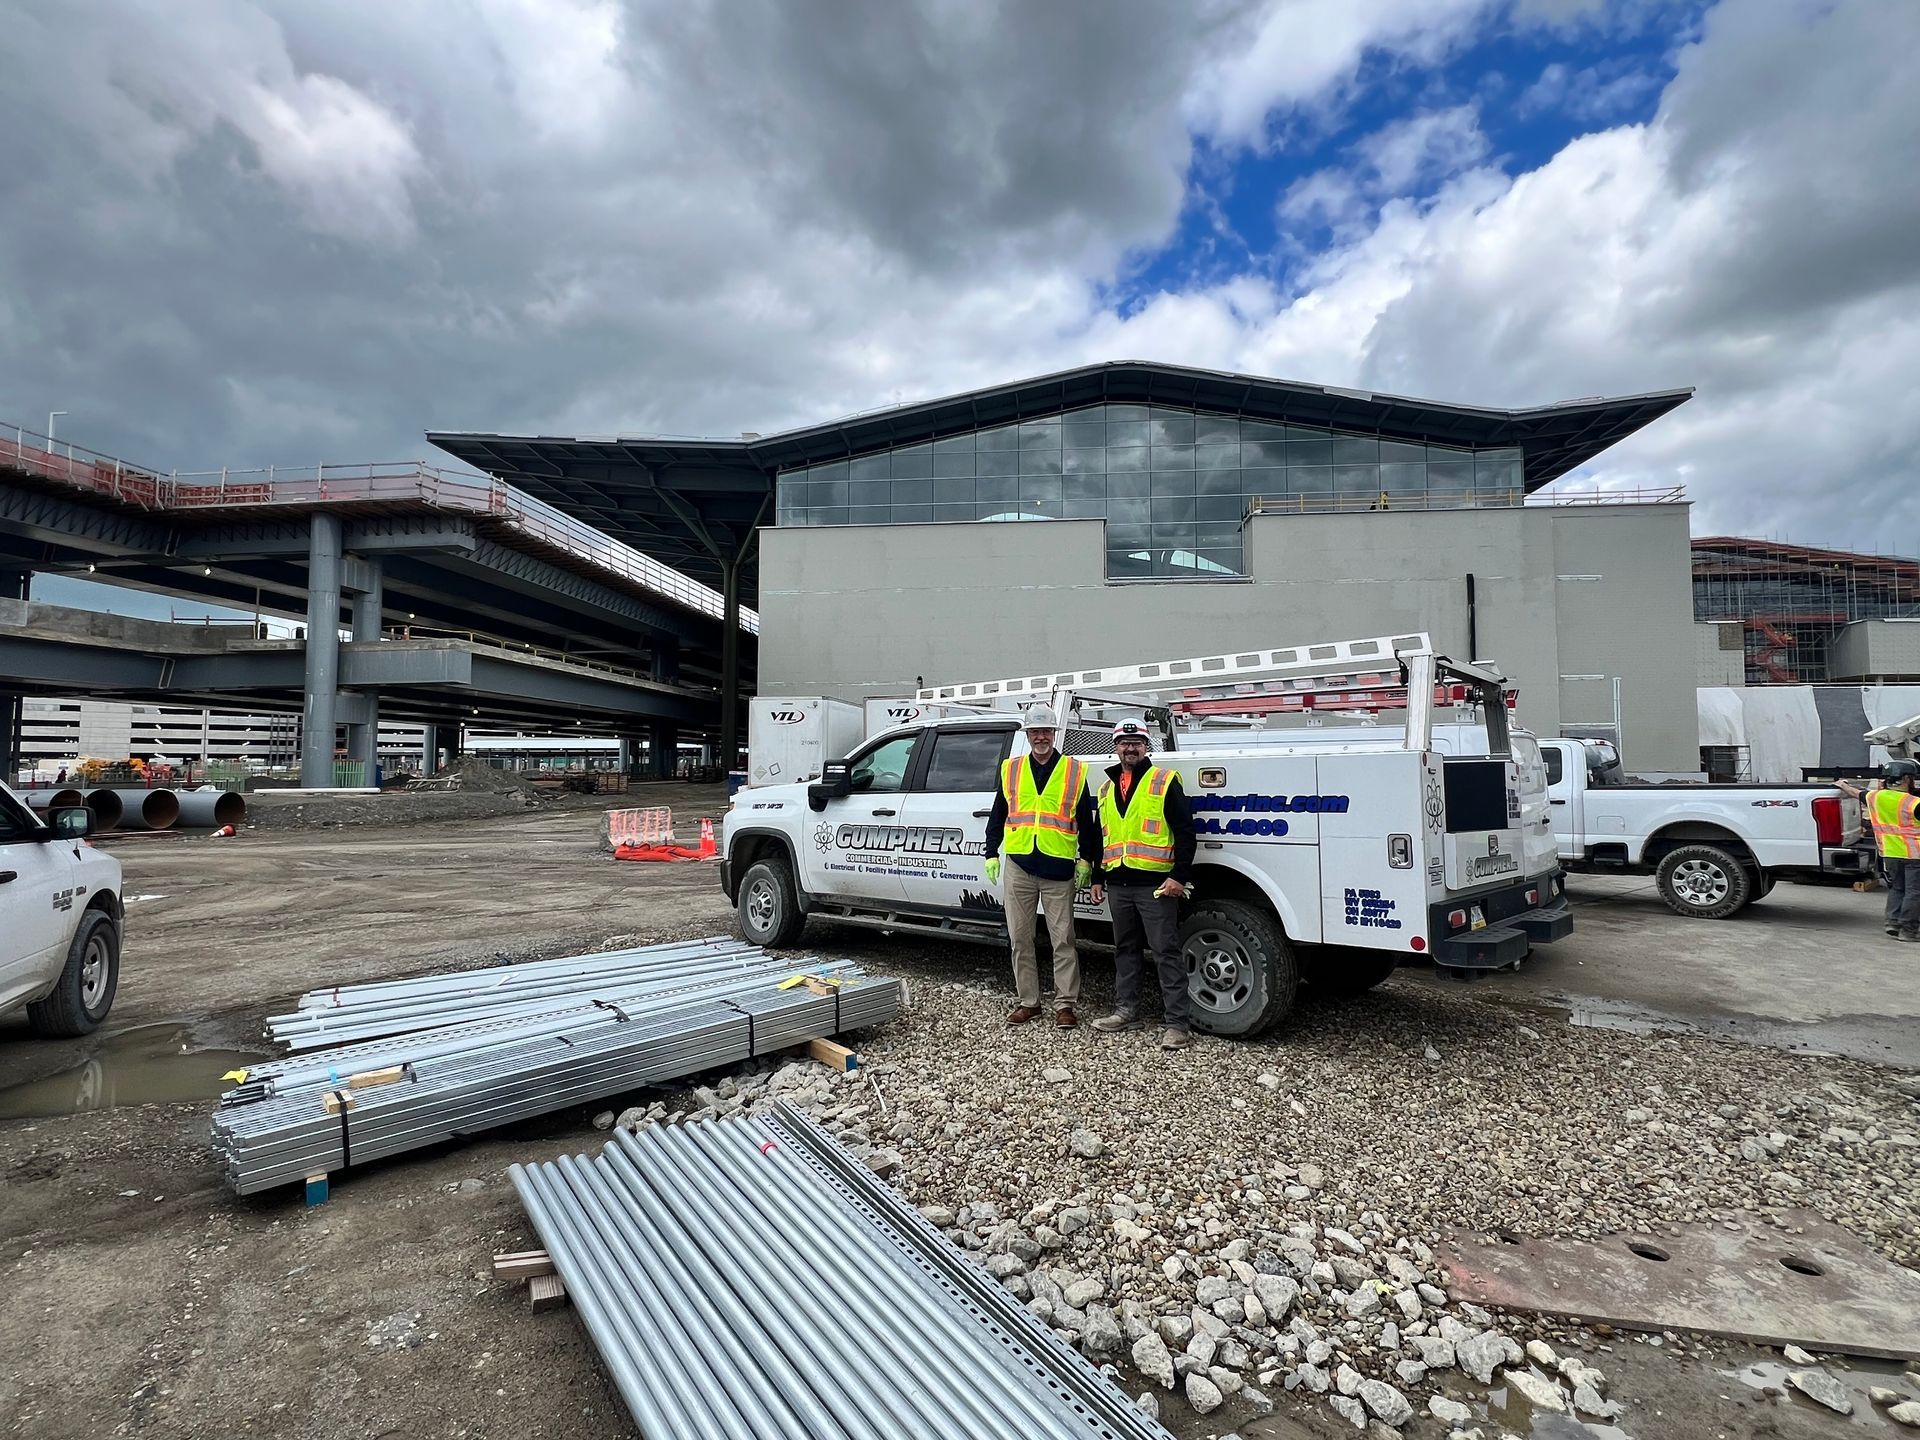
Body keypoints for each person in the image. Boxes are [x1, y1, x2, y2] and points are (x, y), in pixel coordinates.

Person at [984, 704, 1100, 1027]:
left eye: (1046, 732)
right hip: (1019, 866)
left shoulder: (1074, 772)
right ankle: (1029, 1002)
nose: (1040, 738)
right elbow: (999, 813)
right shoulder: (1013, 769)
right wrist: (991, 852)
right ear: (1028, 735)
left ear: (1054, 734)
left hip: (1058, 870)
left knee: (1063, 939)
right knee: (1020, 938)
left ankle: (1065, 1006)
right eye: (1034, 732)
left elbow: (1086, 823)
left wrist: (1086, 860)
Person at [1089, 720, 1199, 1050]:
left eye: (1137, 742)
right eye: (1125, 743)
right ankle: (1126, 1011)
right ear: (1116, 747)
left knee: (1165, 952)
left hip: (1156, 886)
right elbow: (1100, 836)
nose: (1131, 748)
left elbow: (1185, 832)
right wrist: (1097, 877)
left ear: (1146, 746)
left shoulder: (1163, 781)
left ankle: (1177, 1024)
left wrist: (1178, 876)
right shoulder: (1106, 788)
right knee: (1125, 950)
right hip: (1119, 883)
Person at [1840, 760, 1920, 940]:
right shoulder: (1914, 803)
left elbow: (1856, 793)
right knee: (1914, 892)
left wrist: (1842, 785)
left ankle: (1892, 923)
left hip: (1890, 853)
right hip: (1915, 855)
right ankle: (1908, 930)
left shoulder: (1875, 797)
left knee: (1897, 888)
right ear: (1907, 779)